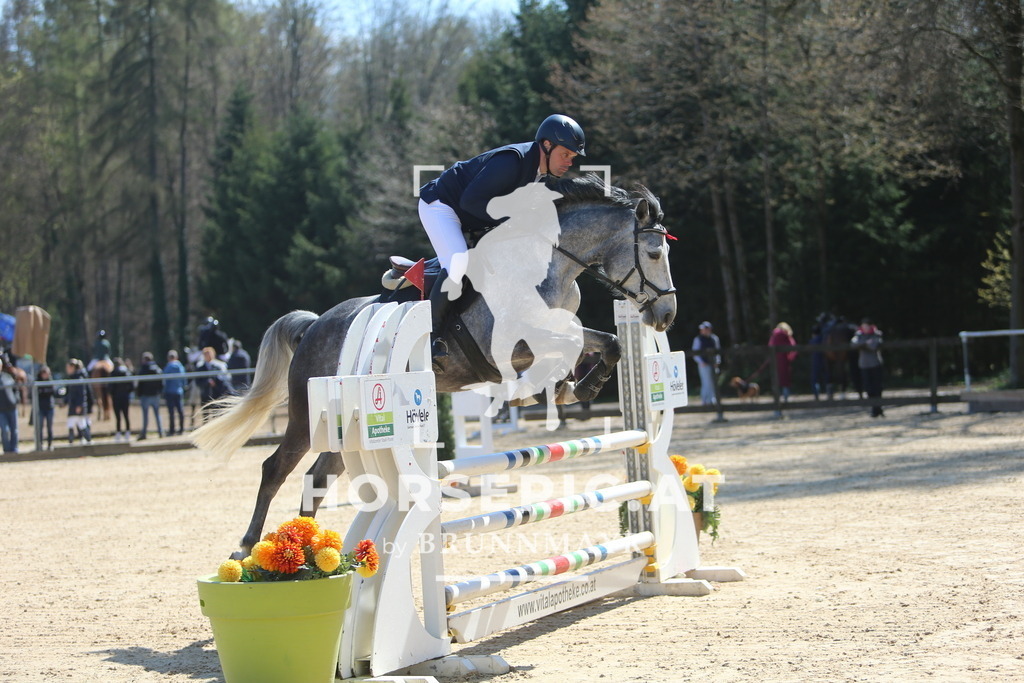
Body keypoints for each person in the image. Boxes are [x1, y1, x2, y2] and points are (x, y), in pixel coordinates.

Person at [417, 114, 587, 372]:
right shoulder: (511, 162)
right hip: (442, 205)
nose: (568, 162)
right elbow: (470, 202)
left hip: (471, 214)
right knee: (457, 264)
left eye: (572, 157)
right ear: (547, 145)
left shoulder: (539, 174)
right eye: (565, 154)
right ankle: (433, 337)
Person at [852, 318, 885, 417]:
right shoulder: (858, 335)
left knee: (877, 387)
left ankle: (877, 408)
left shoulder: (876, 334)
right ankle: (875, 407)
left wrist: (862, 344)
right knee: (868, 388)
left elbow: (874, 346)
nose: (865, 328)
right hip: (864, 365)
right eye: (863, 326)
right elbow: (853, 344)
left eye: (866, 326)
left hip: (875, 364)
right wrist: (866, 343)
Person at [195, 346, 232, 421]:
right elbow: (198, 381)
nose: (208, 356)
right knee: (205, 414)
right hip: (206, 393)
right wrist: (207, 382)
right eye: (206, 354)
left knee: (218, 413)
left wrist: (216, 382)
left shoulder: (218, 366)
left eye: (210, 354)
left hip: (217, 393)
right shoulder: (200, 368)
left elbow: (224, 379)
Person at [135, 351, 164, 440]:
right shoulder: (157, 369)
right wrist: (159, 392)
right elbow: (161, 382)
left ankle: (144, 433)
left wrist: (139, 394)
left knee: (145, 415)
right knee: (157, 414)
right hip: (155, 395)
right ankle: (161, 432)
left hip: (145, 396)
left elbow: (140, 384)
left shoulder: (143, 369)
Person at [691, 321, 721, 405]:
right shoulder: (698, 339)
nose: (702, 331)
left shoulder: (714, 338)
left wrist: (717, 361)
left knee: (714, 382)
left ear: (709, 329)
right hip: (703, 364)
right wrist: (701, 362)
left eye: (704, 329)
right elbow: (695, 353)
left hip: (713, 364)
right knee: (706, 382)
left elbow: (717, 351)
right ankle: (705, 400)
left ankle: (713, 399)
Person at [65, 358, 93, 444]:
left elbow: (81, 394)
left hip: (77, 405)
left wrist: (79, 405)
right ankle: (87, 440)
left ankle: (72, 442)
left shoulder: (78, 378)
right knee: (81, 424)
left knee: (73, 423)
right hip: (75, 404)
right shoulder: (73, 377)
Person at [768, 322, 798, 402]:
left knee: (776, 380)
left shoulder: (774, 336)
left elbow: (770, 346)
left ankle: (777, 401)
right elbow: (793, 348)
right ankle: (786, 399)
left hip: (775, 361)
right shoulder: (787, 336)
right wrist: (790, 358)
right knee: (785, 380)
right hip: (785, 361)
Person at [163, 350, 187, 436]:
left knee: (171, 412)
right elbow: (184, 380)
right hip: (179, 391)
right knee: (180, 411)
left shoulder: (168, 367)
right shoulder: (180, 367)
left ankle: (172, 430)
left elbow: (165, 380)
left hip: (169, 391)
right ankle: (181, 429)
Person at [109, 357, 133, 441]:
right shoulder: (127, 372)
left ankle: (118, 432)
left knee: (118, 417)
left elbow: (110, 388)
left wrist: (113, 394)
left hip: (116, 398)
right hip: (125, 397)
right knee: (126, 415)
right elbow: (131, 385)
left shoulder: (113, 373)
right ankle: (127, 432)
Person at [0, 356, 19, 453]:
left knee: (14, 430)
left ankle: (14, 449)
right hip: (1, 410)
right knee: (5, 430)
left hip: (12, 407)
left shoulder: (7, 376)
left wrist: (16, 399)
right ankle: (7, 450)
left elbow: (15, 389)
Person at [35, 365, 56, 450]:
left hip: (49, 407)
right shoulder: (37, 382)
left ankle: (50, 443)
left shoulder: (50, 382)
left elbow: (54, 392)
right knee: (39, 427)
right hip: (40, 408)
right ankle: (40, 444)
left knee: (49, 427)